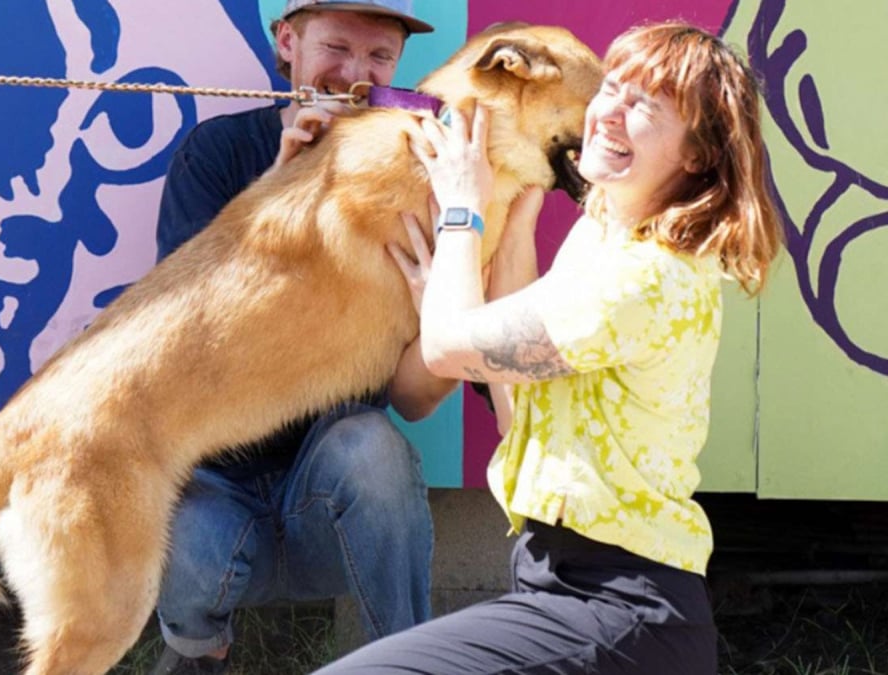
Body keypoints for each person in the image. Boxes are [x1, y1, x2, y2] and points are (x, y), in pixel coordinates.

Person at [315, 21, 784, 674]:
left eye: (644, 106)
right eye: (611, 89)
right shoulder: (604, 241)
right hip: (563, 583)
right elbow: (520, 416)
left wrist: (462, 212)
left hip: (619, 607)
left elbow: (449, 347)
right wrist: (516, 212)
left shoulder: (646, 275)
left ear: (699, 154)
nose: (609, 114)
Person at [150, 2, 455, 673]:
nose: (354, 74)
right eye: (336, 46)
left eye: (378, 57)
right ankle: (196, 651)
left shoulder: (414, 182)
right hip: (219, 491)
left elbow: (414, 400)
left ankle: (407, 661)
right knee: (170, 513)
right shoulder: (220, 154)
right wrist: (279, 190)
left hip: (334, 498)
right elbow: (186, 347)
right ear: (287, 41)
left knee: (373, 446)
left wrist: (443, 321)